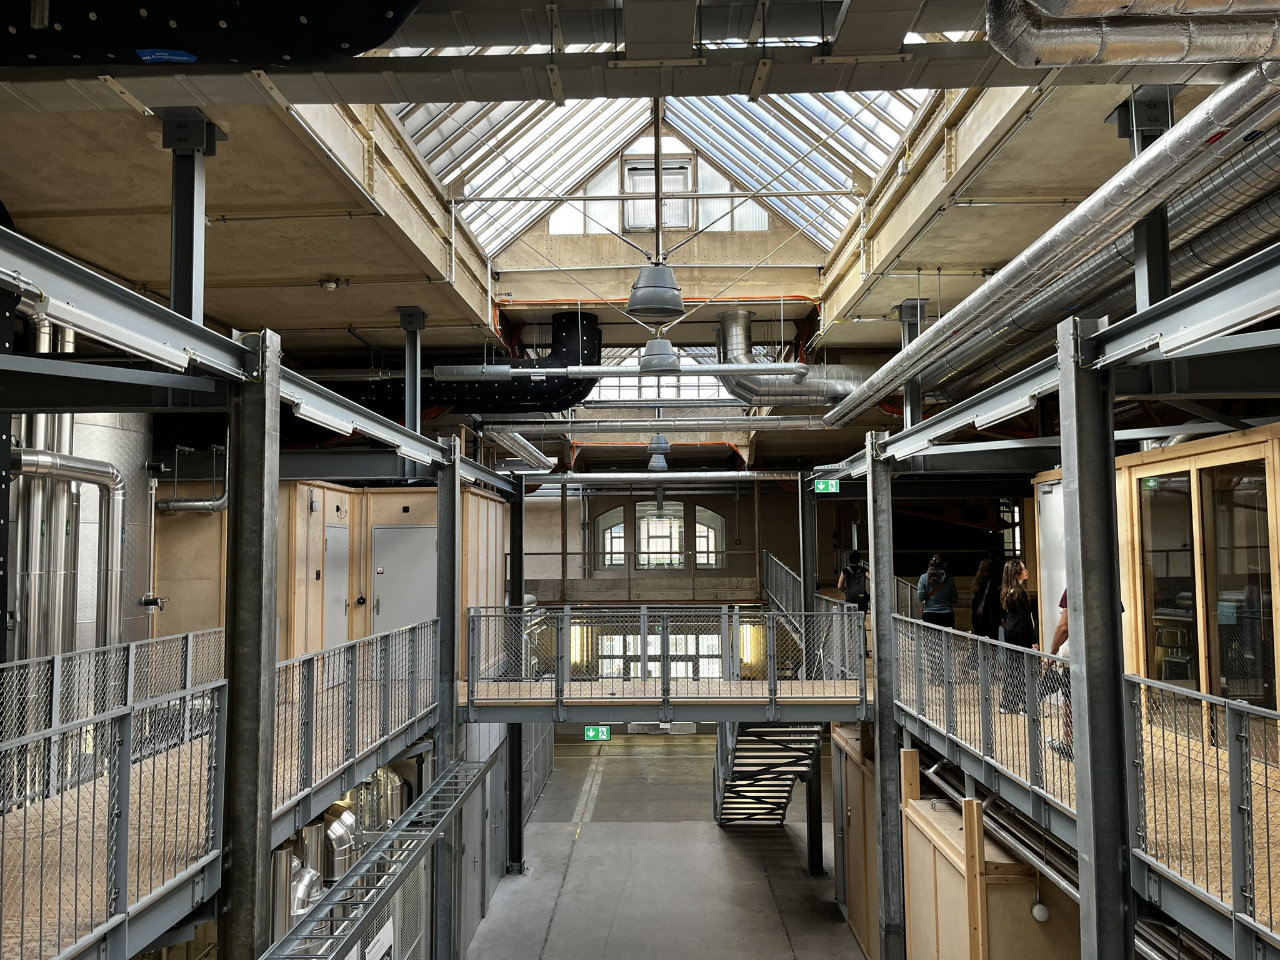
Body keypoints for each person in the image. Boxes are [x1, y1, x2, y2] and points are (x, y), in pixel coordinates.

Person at [998, 558, 1037, 713]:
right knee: (1023, 669)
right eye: (1023, 569)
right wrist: (1033, 640)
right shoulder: (1019, 593)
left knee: (1013, 668)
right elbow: (1025, 618)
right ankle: (1024, 705)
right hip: (1020, 633)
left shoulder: (1008, 591)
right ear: (1016, 573)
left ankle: (1008, 703)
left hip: (1011, 631)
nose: (1026, 571)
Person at [1046, 589, 1074, 758]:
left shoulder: (1073, 588)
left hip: (1077, 659)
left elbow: (1064, 626)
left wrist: (1052, 654)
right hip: (1104, 659)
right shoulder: (1109, 585)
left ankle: (1070, 744)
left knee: (1070, 701)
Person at [917, 554, 958, 628]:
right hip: (947, 616)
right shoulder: (950, 580)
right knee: (947, 636)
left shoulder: (924, 578)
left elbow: (920, 598)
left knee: (930, 636)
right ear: (944, 564)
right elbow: (955, 600)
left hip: (929, 615)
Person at [970, 557, 1001, 641]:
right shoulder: (988, 583)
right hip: (985, 618)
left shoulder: (979, 583)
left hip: (982, 617)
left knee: (981, 642)